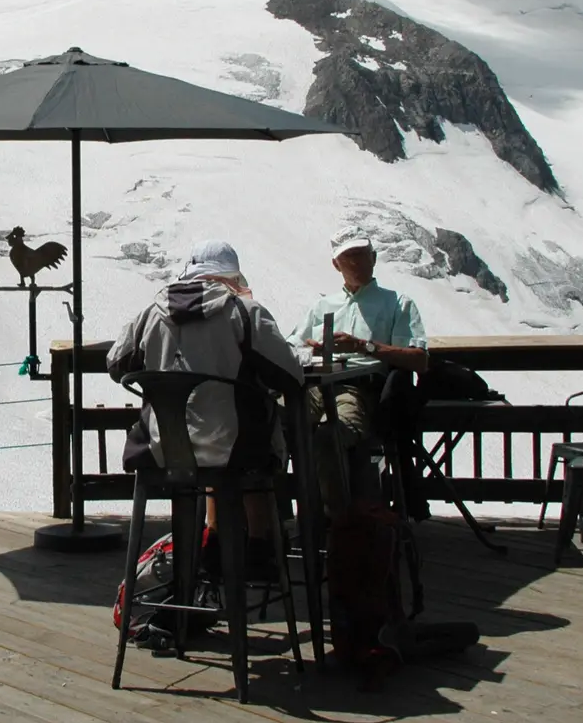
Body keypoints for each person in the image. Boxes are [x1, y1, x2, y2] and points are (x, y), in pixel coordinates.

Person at [107, 240, 303, 562]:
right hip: (238, 453)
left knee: (213, 436)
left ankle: (211, 550)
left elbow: (116, 365)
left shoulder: (150, 314)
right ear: (231, 279)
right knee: (252, 424)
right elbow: (290, 376)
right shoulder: (243, 312)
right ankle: (261, 547)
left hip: (161, 453)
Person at [288, 238, 429, 515]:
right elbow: (292, 343)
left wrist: (363, 346)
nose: (356, 262)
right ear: (335, 264)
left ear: (374, 258)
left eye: (361, 255)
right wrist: (311, 348)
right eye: (349, 256)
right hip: (313, 386)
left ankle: (342, 526)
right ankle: (271, 525)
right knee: (266, 422)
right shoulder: (323, 306)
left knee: (332, 437)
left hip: (360, 390)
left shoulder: (398, 303)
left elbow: (419, 360)